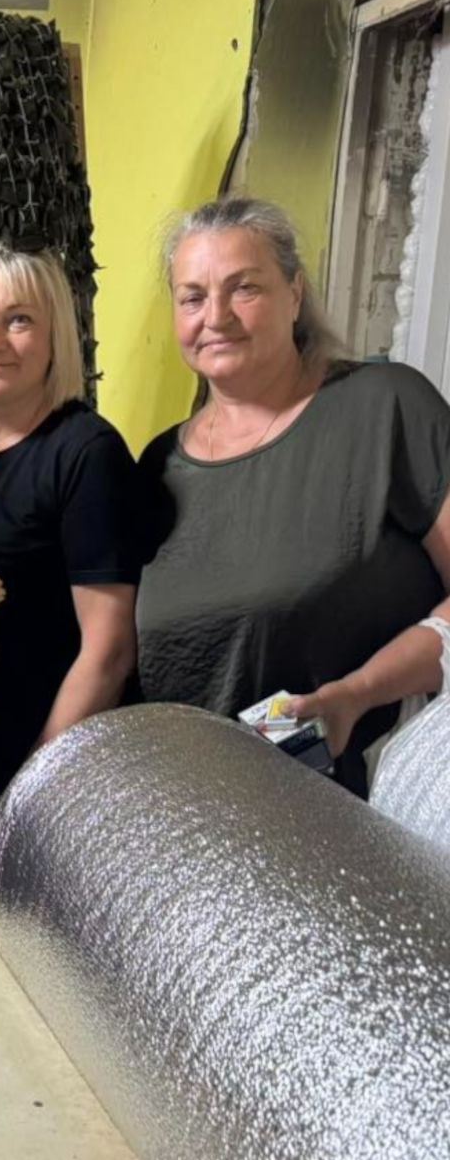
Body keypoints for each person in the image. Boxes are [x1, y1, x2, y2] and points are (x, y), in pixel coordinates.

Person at [138, 197, 450, 792]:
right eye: (192, 298)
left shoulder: (385, 407)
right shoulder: (157, 465)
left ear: (295, 294)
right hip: (187, 806)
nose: (216, 316)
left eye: (244, 288)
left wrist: (355, 695)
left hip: (349, 804)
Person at [0, 244, 140, 810]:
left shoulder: (87, 453)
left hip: (63, 770)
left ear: (55, 337)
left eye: (18, 320)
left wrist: (33, 786)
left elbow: (109, 652)